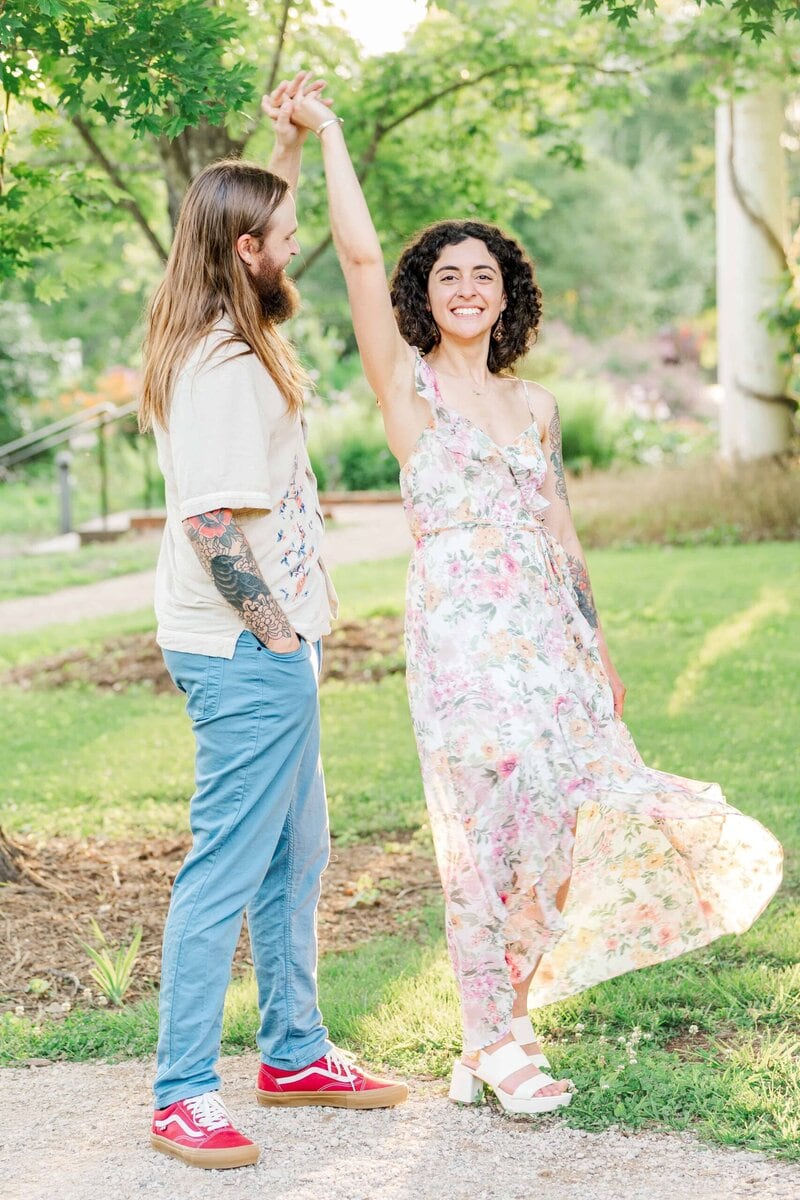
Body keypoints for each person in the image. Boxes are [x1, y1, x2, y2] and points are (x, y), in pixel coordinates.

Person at [267, 75, 784, 1118]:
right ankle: (494, 1037)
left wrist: (595, 650)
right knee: (481, 833)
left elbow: (558, 531)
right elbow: (359, 258)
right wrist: (323, 134)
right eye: (448, 274)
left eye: (484, 274)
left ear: (507, 294)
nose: (467, 286)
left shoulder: (535, 404)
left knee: (562, 823)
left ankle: (486, 1032)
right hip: (459, 636)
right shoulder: (405, 385)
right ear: (427, 292)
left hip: (550, 643)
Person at [139, 74, 408, 1172]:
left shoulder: (213, 316)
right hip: (243, 647)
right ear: (244, 253)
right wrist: (278, 635)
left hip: (255, 646)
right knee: (226, 864)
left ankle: (293, 1050)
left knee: (296, 855)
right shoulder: (219, 370)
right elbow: (210, 521)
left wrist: (286, 141)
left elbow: (246, 210)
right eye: (280, 235)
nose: (292, 243)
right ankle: (180, 1092)